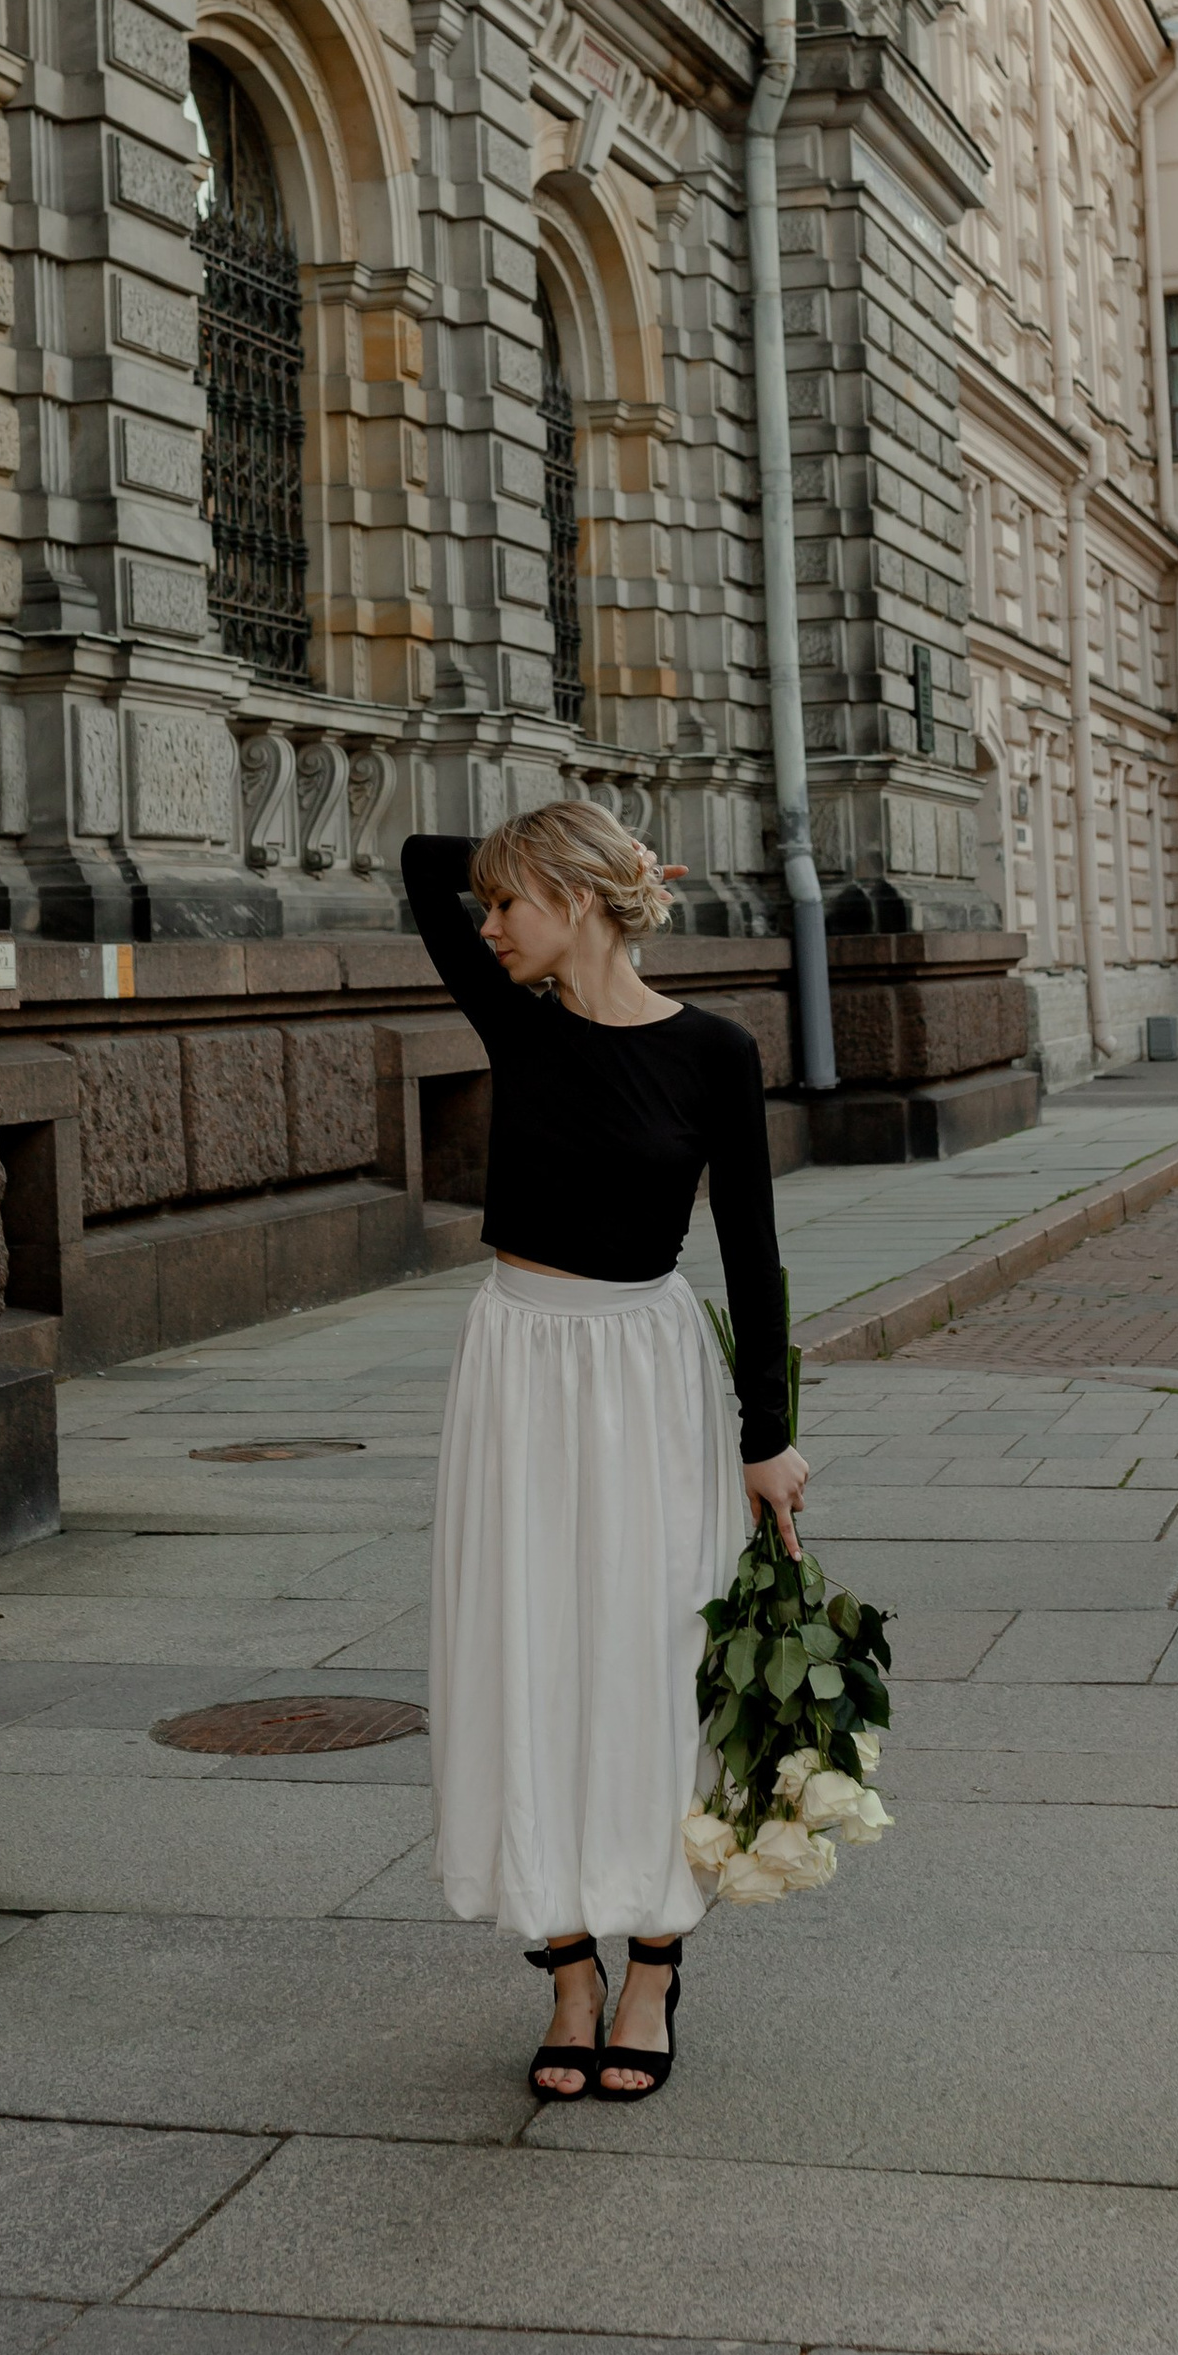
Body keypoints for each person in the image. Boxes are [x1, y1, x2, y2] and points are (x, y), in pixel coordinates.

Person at [402, 802, 805, 2102]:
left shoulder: (714, 1054)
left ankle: (651, 1970)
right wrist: (569, 847)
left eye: (512, 904)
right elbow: (423, 869)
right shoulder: (516, 1020)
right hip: (519, 1369)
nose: (491, 927)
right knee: (527, 1652)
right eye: (494, 906)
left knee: (650, 1661)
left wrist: (770, 1441)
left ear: (572, 902)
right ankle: (567, 1970)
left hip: (645, 1376)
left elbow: (754, 1251)